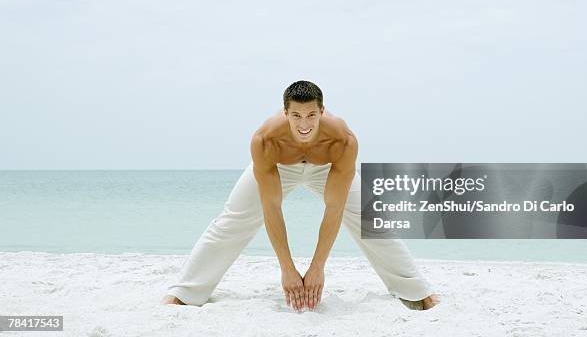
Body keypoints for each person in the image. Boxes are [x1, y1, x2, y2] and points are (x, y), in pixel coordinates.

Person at [161, 80, 440, 311]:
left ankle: (417, 291)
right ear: (285, 113)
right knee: (233, 220)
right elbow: (272, 208)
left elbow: (334, 208)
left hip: (326, 165)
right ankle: (185, 292)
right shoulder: (265, 140)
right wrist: (287, 269)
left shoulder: (343, 141)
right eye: (296, 115)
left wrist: (317, 267)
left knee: (369, 216)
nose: (304, 123)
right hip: (280, 164)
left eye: (311, 115)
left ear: (322, 111)